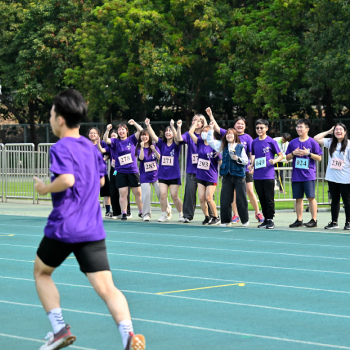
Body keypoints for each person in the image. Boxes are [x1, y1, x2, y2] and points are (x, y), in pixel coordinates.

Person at [33, 89, 145, 350]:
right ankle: (129, 337)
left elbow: (68, 179)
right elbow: (102, 180)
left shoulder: (61, 147)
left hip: (64, 226)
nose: (50, 119)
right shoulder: (90, 146)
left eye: (51, 114)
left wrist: (45, 189)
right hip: (92, 228)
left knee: (41, 272)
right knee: (108, 288)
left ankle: (59, 329)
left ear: (60, 119)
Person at [206, 108, 264, 224]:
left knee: (248, 192)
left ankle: (256, 213)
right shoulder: (224, 142)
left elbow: (250, 153)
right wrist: (211, 118)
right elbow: (213, 135)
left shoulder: (245, 140)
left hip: (243, 170)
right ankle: (234, 216)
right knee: (228, 196)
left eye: (242, 124)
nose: (240, 126)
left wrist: (250, 164)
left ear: (245, 126)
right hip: (228, 173)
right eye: (238, 124)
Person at [207, 122, 249, 226]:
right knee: (225, 199)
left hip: (239, 176)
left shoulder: (240, 147)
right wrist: (211, 129)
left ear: (235, 136)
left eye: (231, 134)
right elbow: (210, 141)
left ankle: (245, 220)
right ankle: (226, 220)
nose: (229, 135)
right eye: (228, 134)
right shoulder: (222, 146)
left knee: (241, 198)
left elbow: (246, 161)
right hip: (226, 175)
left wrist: (237, 158)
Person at [103, 120, 143, 220]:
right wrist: (107, 130)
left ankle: (142, 212)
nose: (121, 131)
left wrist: (134, 123)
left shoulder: (132, 139)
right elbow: (105, 140)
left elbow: (141, 131)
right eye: (119, 130)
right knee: (123, 193)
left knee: (137, 192)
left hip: (132, 170)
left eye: (123, 129)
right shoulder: (115, 141)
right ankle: (124, 213)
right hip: (120, 171)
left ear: (126, 131)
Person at [286, 119, 322, 228]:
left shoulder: (312, 142)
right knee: (298, 198)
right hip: (296, 175)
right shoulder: (293, 142)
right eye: (297, 127)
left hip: (308, 175)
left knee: (311, 197)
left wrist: (308, 153)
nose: (298, 129)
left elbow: (319, 158)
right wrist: (293, 153)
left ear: (307, 128)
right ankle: (299, 219)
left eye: (301, 127)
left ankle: (314, 219)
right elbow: (287, 157)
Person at [146, 118, 183, 222]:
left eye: (169, 131)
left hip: (174, 175)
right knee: (162, 195)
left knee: (174, 196)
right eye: (166, 131)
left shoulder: (176, 144)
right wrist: (148, 125)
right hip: (162, 174)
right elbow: (153, 136)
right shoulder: (161, 143)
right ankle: (164, 214)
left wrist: (174, 126)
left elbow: (178, 138)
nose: (167, 132)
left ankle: (181, 213)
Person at [314, 123, 350, 230]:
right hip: (332, 177)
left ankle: (348, 222)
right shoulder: (330, 142)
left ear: (345, 132)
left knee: (347, 201)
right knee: (334, 199)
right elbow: (316, 138)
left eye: (340, 130)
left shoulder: (348, 144)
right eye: (336, 130)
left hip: (345, 178)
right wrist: (329, 131)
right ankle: (334, 222)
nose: (338, 131)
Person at [249, 119, 283, 229]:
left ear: (266, 128)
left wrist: (275, 160)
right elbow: (253, 155)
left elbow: (280, 155)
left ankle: (270, 219)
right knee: (261, 197)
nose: (259, 130)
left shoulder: (271, 141)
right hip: (257, 175)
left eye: (261, 128)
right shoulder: (254, 142)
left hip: (268, 174)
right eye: (257, 128)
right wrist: (251, 165)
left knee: (269, 198)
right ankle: (265, 219)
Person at [187, 122, 221, 225]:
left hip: (211, 175)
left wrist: (223, 170)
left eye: (206, 131)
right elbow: (190, 132)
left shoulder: (215, 145)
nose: (204, 133)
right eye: (203, 132)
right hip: (200, 174)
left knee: (209, 198)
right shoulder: (200, 142)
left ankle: (215, 216)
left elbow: (220, 161)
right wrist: (195, 123)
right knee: (201, 197)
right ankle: (207, 216)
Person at [97, 130, 132, 219]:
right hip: (114, 170)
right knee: (113, 190)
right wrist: (98, 143)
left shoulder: (121, 145)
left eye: (114, 136)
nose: (112, 137)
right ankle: (116, 212)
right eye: (111, 136)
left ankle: (127, 212)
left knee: (123, 191)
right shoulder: (110, 147)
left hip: (123, 169)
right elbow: (102, 150)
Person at [180, 114, 208, 223]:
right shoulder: (188, 134)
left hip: (205, 170)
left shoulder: (207, 135)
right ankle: (187, 215)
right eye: (193, 120)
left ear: (202, 123)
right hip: (192, 170)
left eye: (198, 120)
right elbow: (179, 139)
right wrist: (177, 127)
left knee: (207, 195)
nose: (195, 122)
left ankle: (211, 215)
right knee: (189, 193)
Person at [136, 129, 167, 221]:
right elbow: (141, 158)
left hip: (156, 174)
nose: (144, 137)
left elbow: (160, 158)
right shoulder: (138, 147)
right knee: (146, 195)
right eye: (142, 135)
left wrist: (155, 150)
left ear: (149, 137)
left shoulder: (154, 146)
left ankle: (167, 210)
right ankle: (146, 214)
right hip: (144, 176)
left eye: (145, 135)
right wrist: (141, 147)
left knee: (161, 194)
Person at [88, 127, 112, 218]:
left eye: (94, 133)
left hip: (102, 172)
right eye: (91, 133)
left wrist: (104, 159)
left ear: (98, 134)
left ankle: (108, 211)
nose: (92, 135)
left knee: (106, 192)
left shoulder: (102, 143)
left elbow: (108, 153)